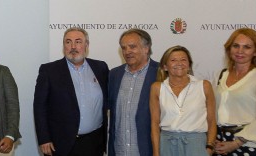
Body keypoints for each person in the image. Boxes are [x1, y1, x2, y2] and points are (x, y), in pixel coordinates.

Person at [33, 27, 108, 156]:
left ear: (86, 45)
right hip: (61, 144)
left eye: (78, 41)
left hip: (94, 143)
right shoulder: (49, 71)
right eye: (68, 42)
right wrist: (44, 138)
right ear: (64, 46)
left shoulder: (100, 68)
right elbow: (40, 107)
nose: (73, 46)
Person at [213, 28, 256, 156]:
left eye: (247, 47)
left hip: (248, 144)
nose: (240, 51)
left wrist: (236, 143)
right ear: (229, 49)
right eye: (236, 46)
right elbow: (212, 109)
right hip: (219, 142)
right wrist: (212, 137)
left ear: (255, 52)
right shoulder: (220, 74)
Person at [149, 46, 216, 156]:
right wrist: (156, 153)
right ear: (165, 66)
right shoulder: (157, 88)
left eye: (183, 59)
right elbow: (154, 124)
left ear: (189, 65)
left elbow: (212, 121)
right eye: (173, 60)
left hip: (196, 145)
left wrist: (209, 147)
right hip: (167, 144)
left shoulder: (204, 86)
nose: (179, 63)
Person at [107, 28, 158, 156]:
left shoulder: (161, 73)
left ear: (146, 48)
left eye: (132, 47)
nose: (127, 51)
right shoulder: (114, 74)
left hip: (149, 150)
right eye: (123, 48)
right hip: (120, 150)